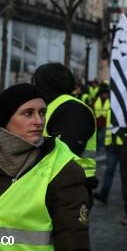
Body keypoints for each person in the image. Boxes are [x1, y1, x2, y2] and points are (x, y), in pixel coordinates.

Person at [0, 83, 91, 250]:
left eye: (42, 113)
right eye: (28, 113)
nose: (39, 121)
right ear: (6, 118)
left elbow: (73, 240)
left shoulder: (63, 170)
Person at [32, 63, 98, 185]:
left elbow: (65, 152)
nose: (34, 86)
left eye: (37, 82)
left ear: (48, 83)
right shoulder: (52, 104)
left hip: (69, 186)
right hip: (54, 182)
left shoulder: (72, 110)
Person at [93, 86, 110, 152]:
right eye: (104, 93)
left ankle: (102, 148)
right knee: (97, 136)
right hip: (97, 122)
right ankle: (98, 148)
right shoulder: (96, 100)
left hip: (105, 122)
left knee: (102, 136)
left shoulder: (109, 101)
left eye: (106, 93)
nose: (105, 95)